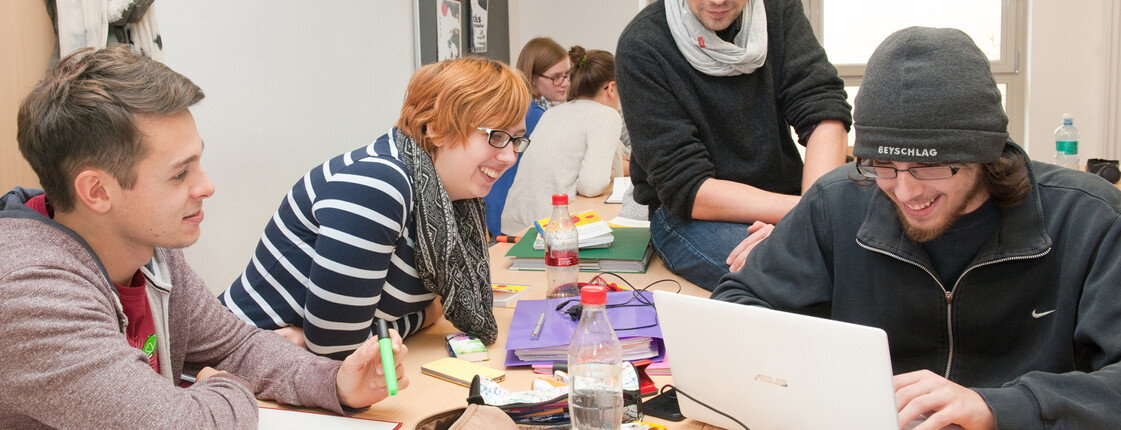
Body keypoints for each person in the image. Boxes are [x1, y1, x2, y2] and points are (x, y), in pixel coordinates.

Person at [712, 27, 1121, 429]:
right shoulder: (837, 202)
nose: (906, 192)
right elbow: (735, 306)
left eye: (929, 166)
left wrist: (998, 408)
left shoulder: (1091, 220)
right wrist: (827, 382)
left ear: (984, 152)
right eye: (883, 165)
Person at [0, 45, 408, 428]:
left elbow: (235, 346)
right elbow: (186, 423)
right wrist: (226, 387)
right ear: (97, 191)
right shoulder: (30, 296)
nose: (206, 186)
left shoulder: (150, 252)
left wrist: (333, 381)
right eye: (180, 173)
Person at [220, 57, 530, 357]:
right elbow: (336, 347)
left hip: (296, 370)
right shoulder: (378, 183)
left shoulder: (451, 199)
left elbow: (338, 343)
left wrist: (422, 316)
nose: (509, 157)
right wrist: (427, 315)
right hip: (236, 364)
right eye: (496, 136)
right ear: (436, 128)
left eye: (516, 140)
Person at [615, 0, 852, 289]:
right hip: (694, 215)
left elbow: (824, 110)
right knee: (796, 272)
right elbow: (686, 187)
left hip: (790, 201)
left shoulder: (778, 11)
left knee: (863, 258)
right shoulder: (643, 44)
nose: (717, 1)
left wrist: (812, 217)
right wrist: (808, 214)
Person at [501, 46, 626, 235]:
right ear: (612, 88)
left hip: (514, 225)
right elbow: (592, 186)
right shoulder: (605, 115)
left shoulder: (553, 113)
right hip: (548, 228)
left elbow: (613, 173)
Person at [484, 37, 570, 235]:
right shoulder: (535, 115)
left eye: (567, 74)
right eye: (556, 77)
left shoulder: (533, 108)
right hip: (506, 211)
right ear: (532, 78)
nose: (565, 83)